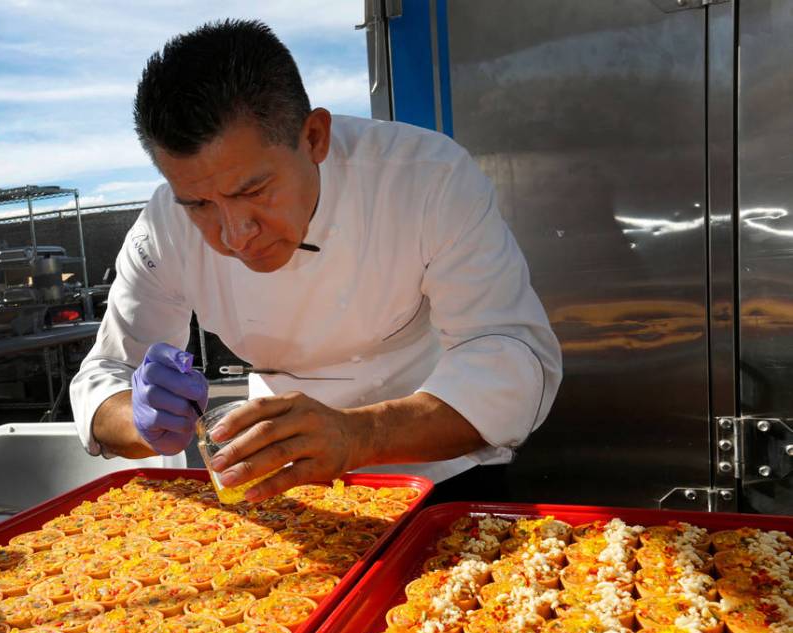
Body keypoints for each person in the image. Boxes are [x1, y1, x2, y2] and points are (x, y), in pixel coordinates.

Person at [69, 19, 562, 503]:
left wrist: (361, 434)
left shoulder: (426, 178)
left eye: (254, 191)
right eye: (199, 205)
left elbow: (510, 354)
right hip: (284, 484)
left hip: (438, 467)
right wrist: (140, 418)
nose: (235, 235)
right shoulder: (164, 228)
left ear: (313, 138)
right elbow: (105, 375)